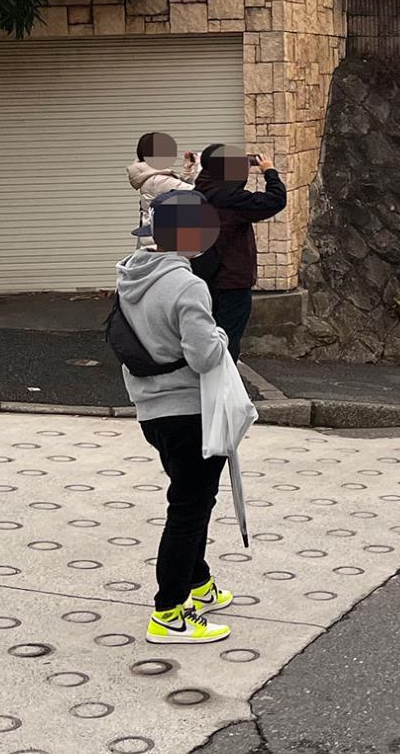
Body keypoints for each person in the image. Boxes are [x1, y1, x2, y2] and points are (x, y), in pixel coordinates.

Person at [115, 190, 240, 646]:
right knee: (188, 509)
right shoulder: (187, 285)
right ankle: (168, 613)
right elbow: (205, 355)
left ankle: (199, 583)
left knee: (191, 499)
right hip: (191, 410)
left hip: (152, 411)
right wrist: (221, 336)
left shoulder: (131, 275)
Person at [190, 146, 287, 359]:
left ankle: (203, 377)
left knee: (207, 337)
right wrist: (269, 171)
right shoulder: (232, 200)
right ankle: (222, 379)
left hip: (203, 276)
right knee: (227, 341)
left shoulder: (200, 190)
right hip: (232, 280)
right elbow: (276, 199)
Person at [127, 133, 198, 250]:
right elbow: (199, 193)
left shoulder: (153, 176)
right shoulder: (157, 180)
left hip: (154, 242)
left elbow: (178, 187)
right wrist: (201, 166)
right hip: (161, 245)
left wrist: (187, 170)